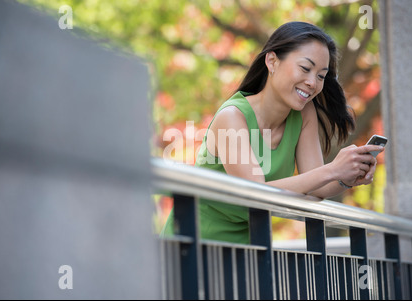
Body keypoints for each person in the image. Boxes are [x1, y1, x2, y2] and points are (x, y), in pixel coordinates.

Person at [161, 21, 383, 244]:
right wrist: (333, 169)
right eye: (305, 68)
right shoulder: (232, 117)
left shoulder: (304, 115)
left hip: (248, 248)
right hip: (190, 244)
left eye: (321, 76)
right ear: (272, 61)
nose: (312, 82)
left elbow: (317, 188)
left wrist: (347, 175)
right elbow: (254, 195)